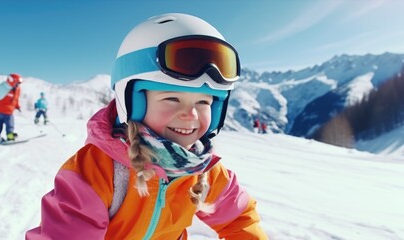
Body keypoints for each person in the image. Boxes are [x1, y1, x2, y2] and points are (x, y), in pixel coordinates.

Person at [26, 13, 269, 240]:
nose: (190, 114)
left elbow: (240, 218)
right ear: (132, 102)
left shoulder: (204, 171)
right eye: (172, 98)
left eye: (204, 102)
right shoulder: (96, 172)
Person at [0, 73, 23, 144]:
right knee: (3, 125)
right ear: (11, 80)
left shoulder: (17, 89)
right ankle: (1, 137)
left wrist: (17, 106)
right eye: (17, 83)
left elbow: (16, 99)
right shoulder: (2, 87)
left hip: (6, 112)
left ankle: (3, 136)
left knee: (5, 125)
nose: (18, 85)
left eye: (19, 83)